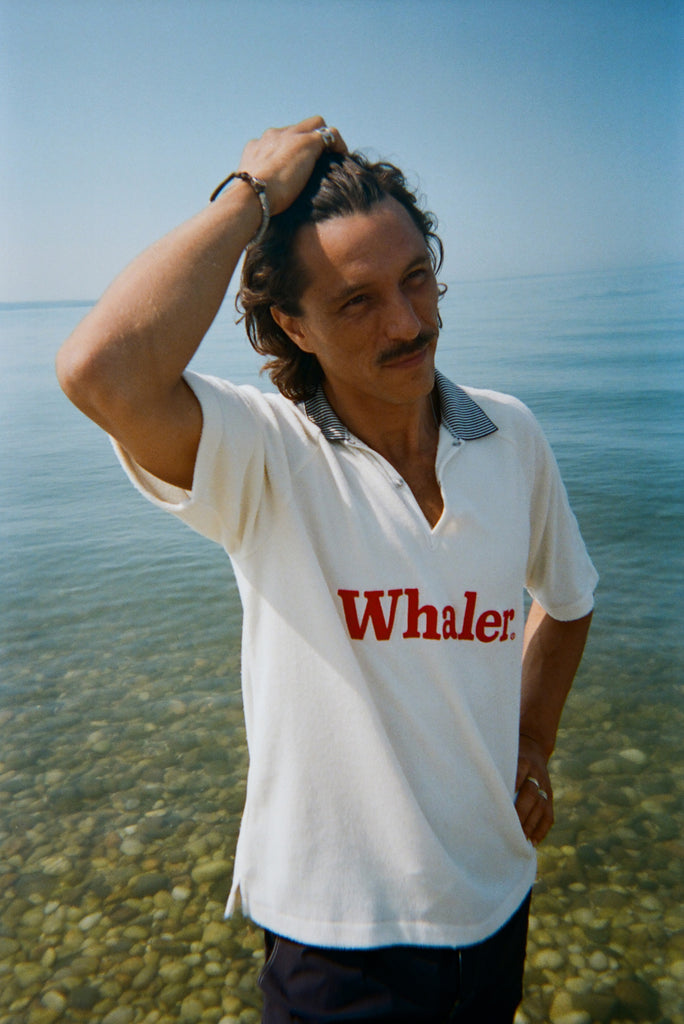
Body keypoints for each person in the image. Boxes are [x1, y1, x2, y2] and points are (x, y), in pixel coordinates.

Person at [57, 116, 597, 1023]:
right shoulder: (263, 455)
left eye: (417, 277)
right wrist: (248, 193)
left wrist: (533, 742)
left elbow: (569, 600)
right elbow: (101, 370)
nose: (409, 321)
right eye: (357, 301)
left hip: (498, 901)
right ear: (291, 325)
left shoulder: (511, 436)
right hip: (337, 943)